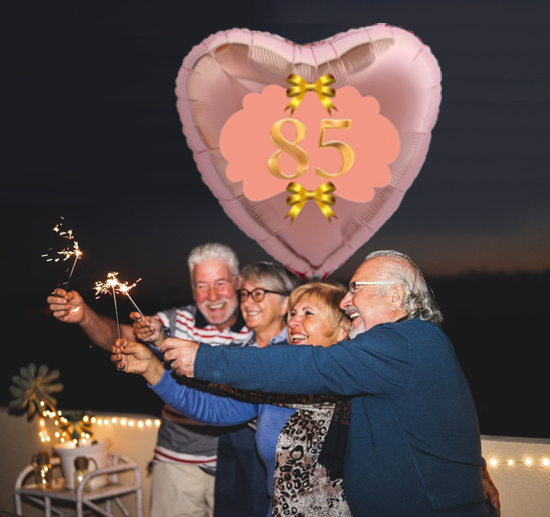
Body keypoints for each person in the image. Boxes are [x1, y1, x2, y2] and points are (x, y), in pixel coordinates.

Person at [156, 250, 501, 517]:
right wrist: (153, 372)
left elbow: (314, 365)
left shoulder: (404, 342)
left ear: (396, 296)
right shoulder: (398, 352)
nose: (345, 300)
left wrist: (204, 358)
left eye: (355, 289)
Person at [111, 281, 353, 516]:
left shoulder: (357, 383)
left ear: (342, 329)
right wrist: (151, 369)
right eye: (292, 313)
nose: (293, 322)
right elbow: (210, 407)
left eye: (308, 313)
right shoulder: (273, 383)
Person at [47, 243, 252, 517]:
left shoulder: (258, 326)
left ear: (238, 282)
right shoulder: (175, 321)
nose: (212, 295)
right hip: (176, 464)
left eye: (221, 283)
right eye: (202, 285)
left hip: (236, 466)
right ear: (192, 287)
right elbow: (118, 336)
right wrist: (85, 316)